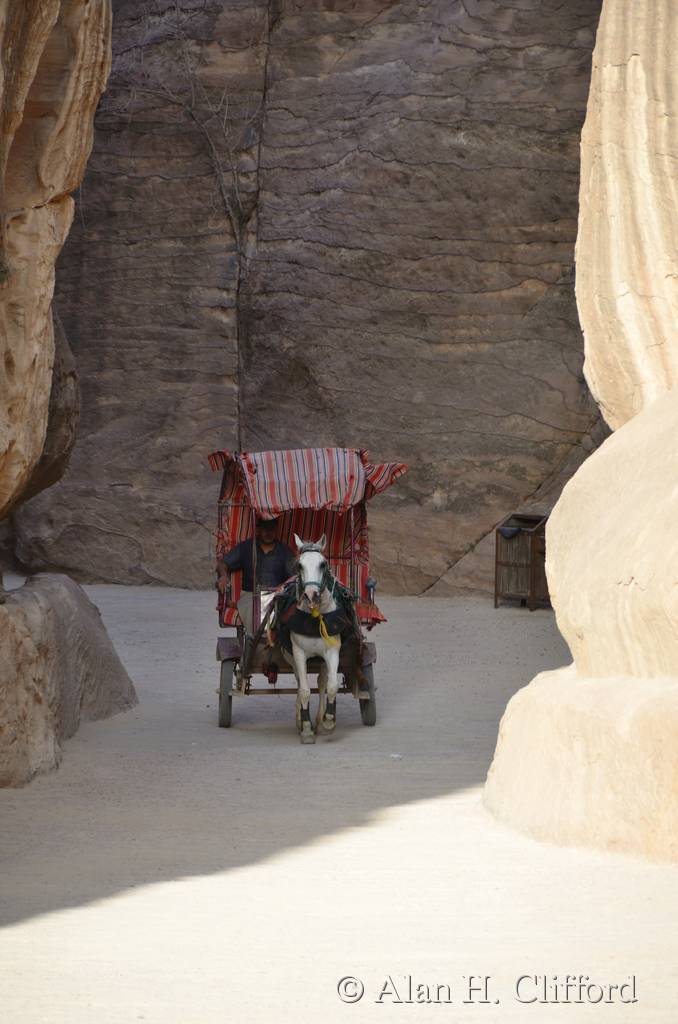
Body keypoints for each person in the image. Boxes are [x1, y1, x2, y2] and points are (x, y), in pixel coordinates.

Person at [216, 517, 296, 632]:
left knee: (288, 611)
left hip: (277, 596)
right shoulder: (246, 547)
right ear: (258, 529)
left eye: (272, 529)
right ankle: (257, 639)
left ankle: (276, 639)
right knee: (254, 611)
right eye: (265, 529)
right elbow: (223, 564)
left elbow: (294, 577)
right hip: (251, 595)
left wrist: (281, 589)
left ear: (276, 530)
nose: (269, 533)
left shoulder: (284, 551)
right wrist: (223, 576)